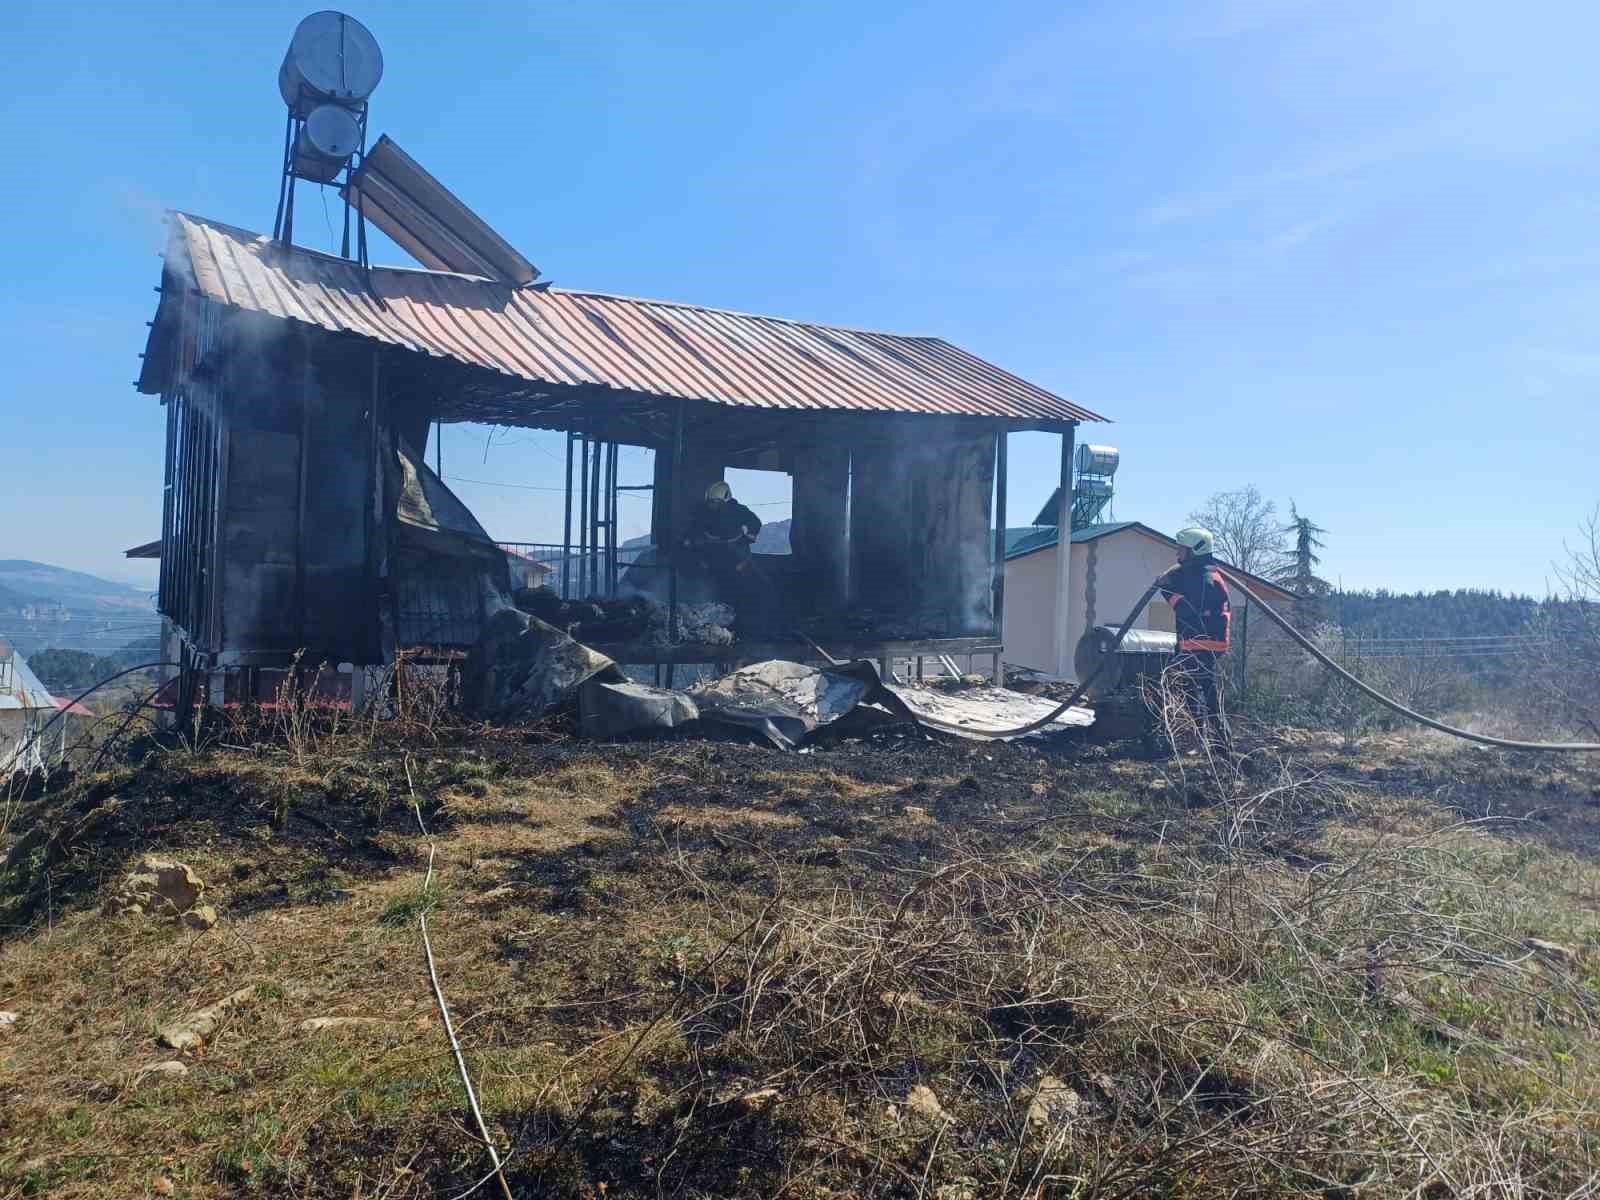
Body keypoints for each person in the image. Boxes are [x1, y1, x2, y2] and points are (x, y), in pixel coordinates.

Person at [1155, 526, 1233, 752]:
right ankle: (1219, 741)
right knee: (1207, 691)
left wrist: (1165, 590)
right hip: (1210, 642)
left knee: (1191, 690)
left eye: (1182, 549)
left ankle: (1201, 740)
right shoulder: (1208, 573)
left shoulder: (1198, 577)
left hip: (1198, 643)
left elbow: (1186, 610)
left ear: (1194, 551)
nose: (1178, 554)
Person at [684, 481, 768, 632]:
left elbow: (755, 523)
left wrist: (750, 536)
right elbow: (695, 528)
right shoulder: (705, 512)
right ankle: (715, 620)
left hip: (737, 556)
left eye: (715, 502)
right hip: (714, 554)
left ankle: (741, 623)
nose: (712, 505)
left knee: (744, 588)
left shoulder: (738, 511)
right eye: (710, 502)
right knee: (715, 588)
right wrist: (690, 541)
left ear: (725, 500)